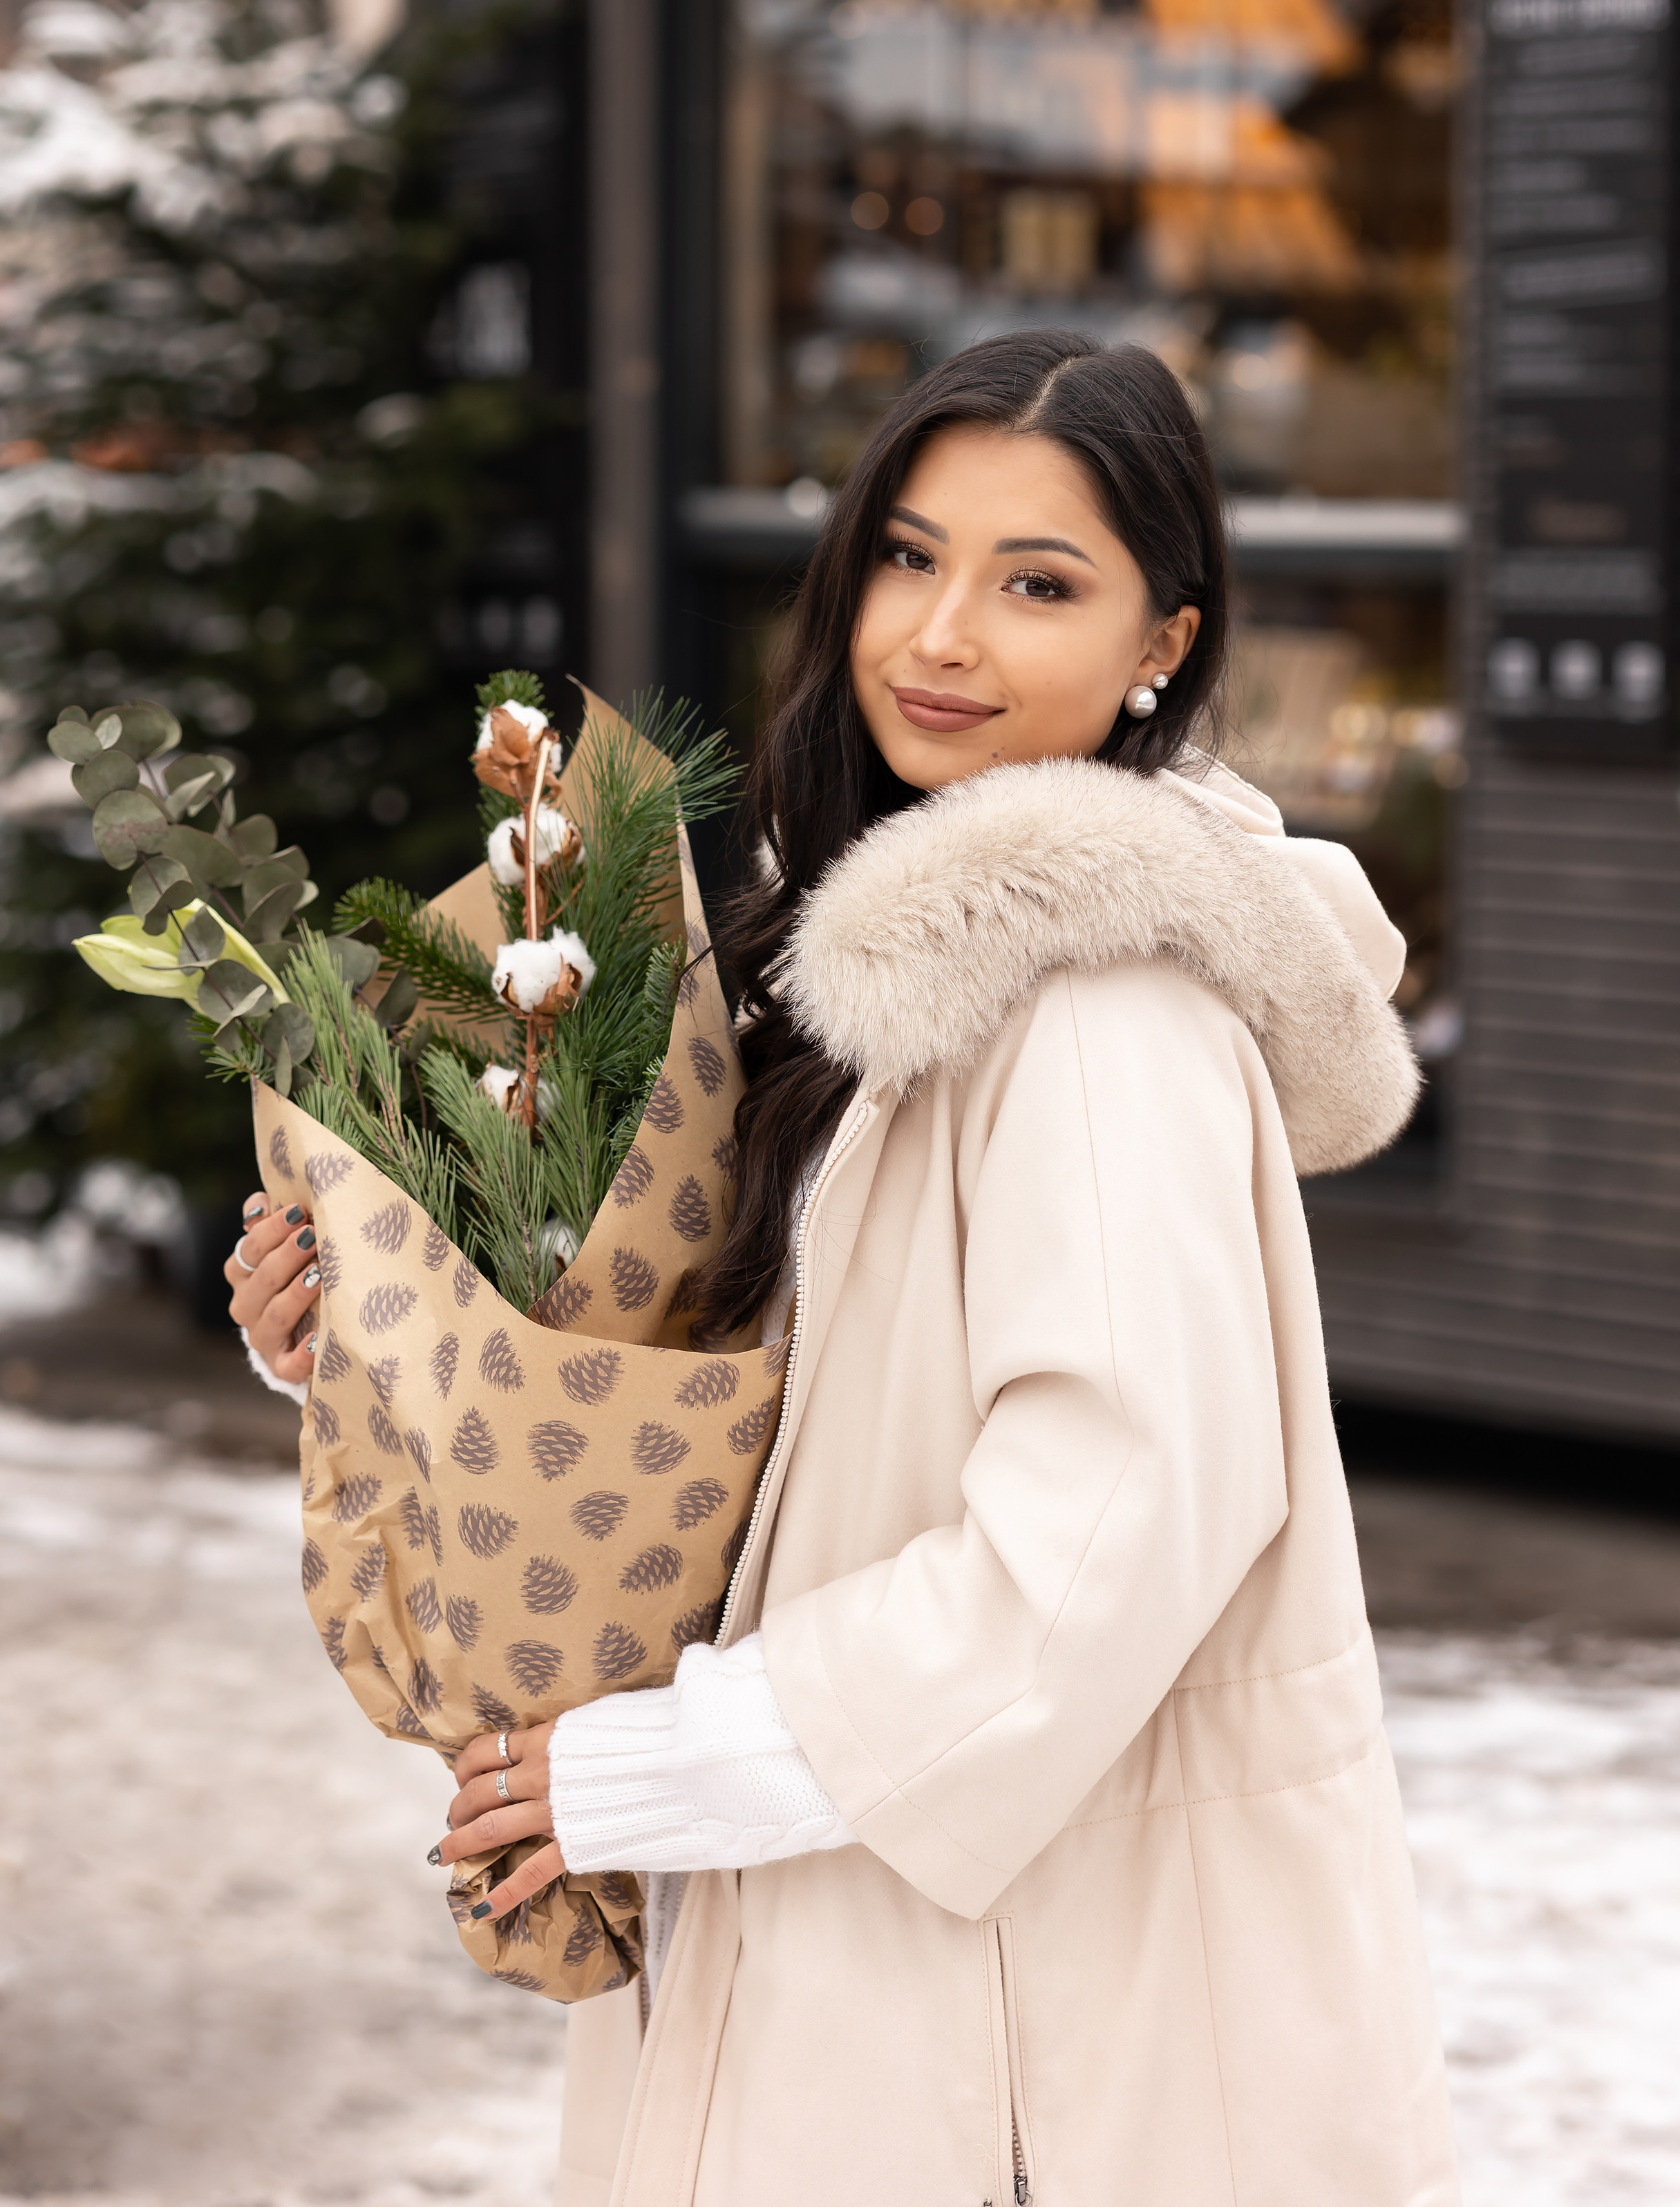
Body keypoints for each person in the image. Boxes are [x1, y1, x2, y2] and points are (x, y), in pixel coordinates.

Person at [228, 329, 1459, 2207]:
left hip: (1027, 2043)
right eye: (906, 554)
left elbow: (1107, 1531)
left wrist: (657, 1768)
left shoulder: (1099, 1003)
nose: (941, 635)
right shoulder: (856, 957)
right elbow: (753, 1407)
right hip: (871, 1971)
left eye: (1037, 583)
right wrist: (373, 1337)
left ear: (1165, 648)